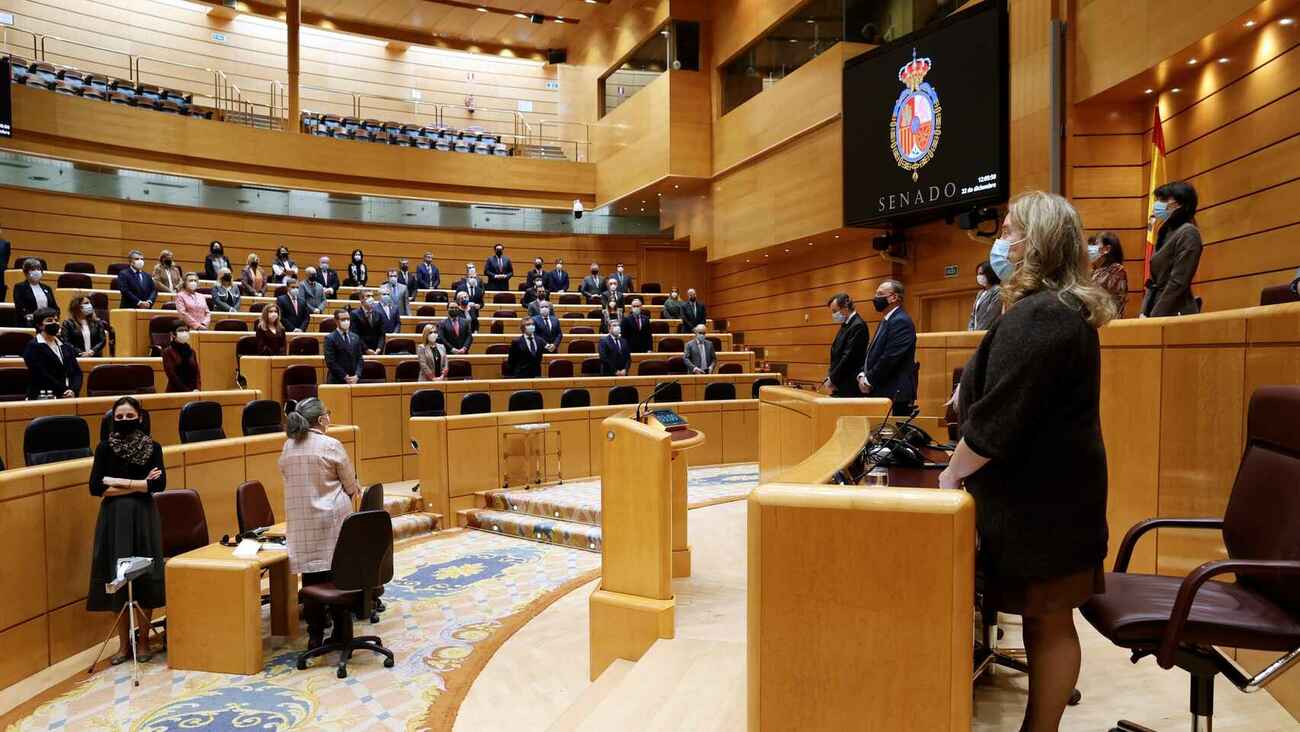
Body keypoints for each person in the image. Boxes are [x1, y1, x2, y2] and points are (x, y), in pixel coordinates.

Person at [940, 191, 1114, 732]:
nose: (1000, 241)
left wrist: (950, 474)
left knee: (1050, 621)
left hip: (1046, 507)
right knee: (1047, 620)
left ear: (1035, 241)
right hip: (1053, 498)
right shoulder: (1054, 309)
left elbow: (997, 425)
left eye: (1010, 230)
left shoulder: (1044, 316)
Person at [87, 396, 167, 664]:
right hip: (114, 518)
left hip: (144, 515)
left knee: (145, 575)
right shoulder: (103, 449)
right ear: (112, 419)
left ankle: (144, 642)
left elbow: (158, 486)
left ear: (140, 417)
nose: (123, 421)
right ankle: (123, 646)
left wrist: (117, 482)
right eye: (118, 417)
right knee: (117, 577)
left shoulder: (153, 447)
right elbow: (96, 487)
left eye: (129, 416)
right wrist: (139, 483)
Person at [278, 398, 361, 649]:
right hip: (333, 522)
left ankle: (314, 637)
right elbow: (350, 486)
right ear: (322, 419)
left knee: (312, 580)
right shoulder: (330, 445)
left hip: (302, 523)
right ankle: (341, 632)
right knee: (338, 578)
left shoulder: (288, 447)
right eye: (328, 413)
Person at [1141, 180, 1203, 317]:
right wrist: (1144, 312)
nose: (1157, 204)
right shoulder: (1164, 230)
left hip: (1175, 312)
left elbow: (1178, 283)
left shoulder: (1188, 233)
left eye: (1163, 199)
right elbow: (1153, 282)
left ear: (1178, 204)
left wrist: (1155, 317)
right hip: (1156, 308)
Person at [857, 280, 917, 415]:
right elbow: (872, 352)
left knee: (892, 434)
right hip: (882, 390)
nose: (875, 298)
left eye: (880, 294)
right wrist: (862, 374)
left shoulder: (901, 321)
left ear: (894, 297)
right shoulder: (887, 320)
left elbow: (890, 357)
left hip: (894, 392)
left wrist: (868, 380)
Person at [24, 308, 82, 399]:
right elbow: (41, 375)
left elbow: (77, 372)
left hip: (70, 396)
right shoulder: (33, 347)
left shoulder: (66, 346)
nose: (54, 323)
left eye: (56, 320)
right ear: (40, 325)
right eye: (49, 320)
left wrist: (73, 390)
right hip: (44, 396)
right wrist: (64, 390)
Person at [823, 293, 869, 398]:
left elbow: (849, 357)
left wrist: (833, 378)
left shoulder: (858, 325)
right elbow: (837, 354)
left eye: (835, 311)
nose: (833, 315)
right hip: (841, 381)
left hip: (850, 384)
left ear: (845, 308)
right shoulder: (846, 324)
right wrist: (831, 375)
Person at [1089, 232, 1128, 318]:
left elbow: (1099, 298)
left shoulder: (1117, 271)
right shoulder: (1093, 270)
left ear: (1106, 249)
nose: (1089, 249)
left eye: (1094, 245)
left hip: (1108, 323)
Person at [324, 310, 364, 384]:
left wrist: (357, 375)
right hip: (337, 380)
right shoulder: (330, 338)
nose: (346, 321)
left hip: (355, 380)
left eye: (348, 319)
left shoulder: (355, 337)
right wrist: (345, 376)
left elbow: (360, 359)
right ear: (336, 321)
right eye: (343, 319)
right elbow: (330, 362)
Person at [14, 257, 55, 325]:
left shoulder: (47, 288)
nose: (37, 271)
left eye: (39, 269)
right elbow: (20, 307)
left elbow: (54, 307)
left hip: (47, 322)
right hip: (29, 322)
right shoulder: (20, 287)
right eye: (33, 269)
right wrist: (30, 317)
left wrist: (54, 316)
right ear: (26, 273)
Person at [162, 321, 201, 392]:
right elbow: (172, 376)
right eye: (180, 330)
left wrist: (197, 389)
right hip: (175, 392)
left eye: (186, 330)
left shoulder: (192, 351)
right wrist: (187, 392)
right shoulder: (167, 352)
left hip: (194, 392)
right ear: (172, 334)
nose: (184, 333)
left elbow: (197, 373)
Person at [968, 261, 1002, 331]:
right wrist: (970, 332)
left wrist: (977, 332)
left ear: (989, 274)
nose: (978, 277)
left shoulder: (997, 290)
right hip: (975, 333)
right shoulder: (980, 293)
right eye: (977, 274)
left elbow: (990, 315)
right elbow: (973, 316)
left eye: (981, 274)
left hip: (987, 332)